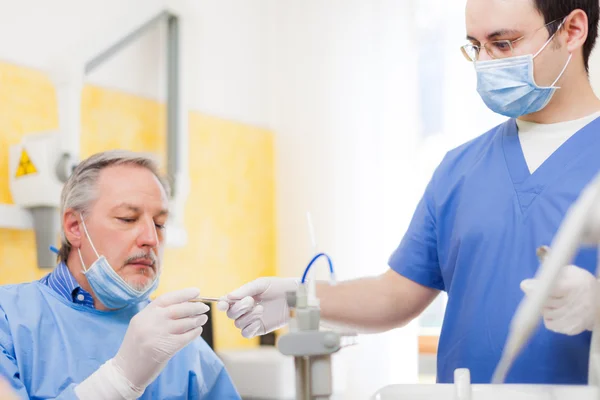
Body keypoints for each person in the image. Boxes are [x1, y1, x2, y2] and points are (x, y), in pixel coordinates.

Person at [218, 0, 600, 385]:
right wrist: (297, 298)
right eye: (476, 46)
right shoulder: (459, 169)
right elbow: (395, 297)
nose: (486, 63)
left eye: (503, 44)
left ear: (571, 31)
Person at [0, 150, 240, 399]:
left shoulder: (179, 342)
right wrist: (118, 381)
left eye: (159, 224)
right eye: (128, 219)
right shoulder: (8, 319)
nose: (150, 238)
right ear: (74, 227)